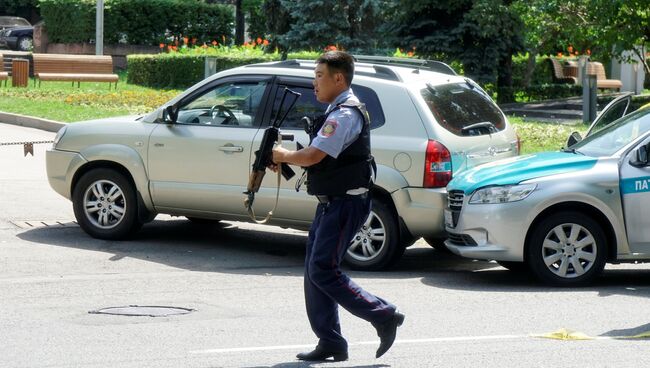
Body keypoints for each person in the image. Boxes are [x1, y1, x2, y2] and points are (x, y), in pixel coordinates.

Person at [271, 51, 404, 362]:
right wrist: (289, 159)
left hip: (347, 203)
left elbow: (315, 155)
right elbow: (325, 159)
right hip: (332, 202)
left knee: (322, 269)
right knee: (314, 269)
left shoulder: (344, 115)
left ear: (338, 78)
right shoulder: (336, 110)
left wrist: (283, 156)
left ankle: (383, 314)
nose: (314, 82)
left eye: (319, 76)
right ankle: (330, 341)